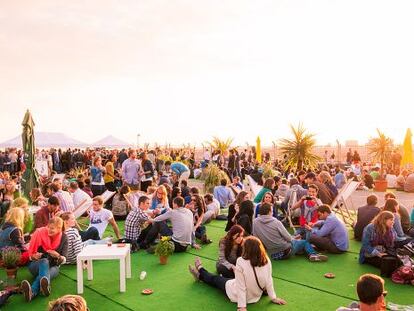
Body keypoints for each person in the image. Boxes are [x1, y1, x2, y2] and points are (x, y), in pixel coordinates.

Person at [188, 236, 286, 310]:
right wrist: (273, 297)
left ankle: (200, 269)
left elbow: (241, 286)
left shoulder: (241, 261)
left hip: (237, 292)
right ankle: (200, 275)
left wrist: (242, 306)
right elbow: (269, 280)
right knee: (224, 279)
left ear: (247, 249)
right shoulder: (266, 260)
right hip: (256, 294)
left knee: (216, 279)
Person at [253, 203, 328, 262]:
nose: (273, 213)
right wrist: (294, 239)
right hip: (286, 250)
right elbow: (288, 238)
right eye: (272, 211)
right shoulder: (276, 222)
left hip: (272, 255)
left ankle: (302, 250)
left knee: (298, 243)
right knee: (304, 242)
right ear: (269, 211)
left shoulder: (255, 222)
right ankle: (313, 254)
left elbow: (256, 239)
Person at [21, 217, 68, 302]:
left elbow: (64, 259)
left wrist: (58, 256)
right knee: (44, 261)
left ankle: (32, 292)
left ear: (59, 228)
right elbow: (30, 256)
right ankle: (46, 287)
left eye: (52, 228)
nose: (49, 230)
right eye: (48, 227)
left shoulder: (64, 237)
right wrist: (33, 256)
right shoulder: (40, 233)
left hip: (53, 267)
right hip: (35, 265)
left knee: (45, 275)